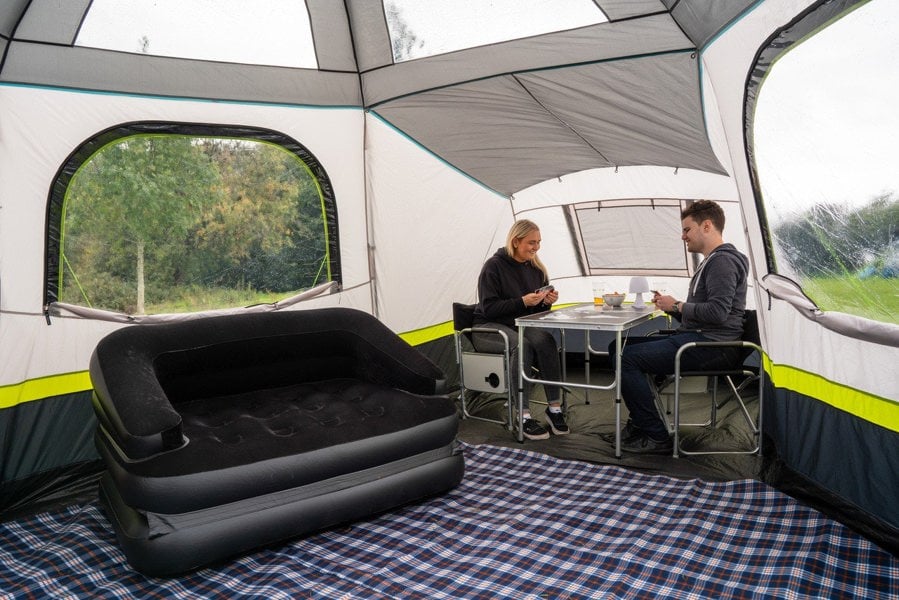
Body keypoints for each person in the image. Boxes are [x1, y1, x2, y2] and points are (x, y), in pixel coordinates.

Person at [607, 200, 749, 454]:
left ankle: (655, 435)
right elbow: (707, 315)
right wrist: (671, 308)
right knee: (616, 346)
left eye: (687, 229)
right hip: (701, 338)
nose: (682, 236)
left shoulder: (722, 262)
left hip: (713, 346)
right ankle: (641, 422)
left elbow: (718, 313)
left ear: (707, 226)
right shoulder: (712, 261)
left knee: (626, 357)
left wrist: (680, 305)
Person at [472, 219, 569, 440]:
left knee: (546, 341)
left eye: (539, 242)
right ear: (516, 241)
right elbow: (488, 308)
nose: (536, 247)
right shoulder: (493, 266)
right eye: (531, 242)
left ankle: (554, 409)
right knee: (521, 346)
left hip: (518, 324)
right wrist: (522, 302)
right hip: (488, 327)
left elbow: (532, 308)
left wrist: (546, 301)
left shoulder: (536, 269)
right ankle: (522, 415)